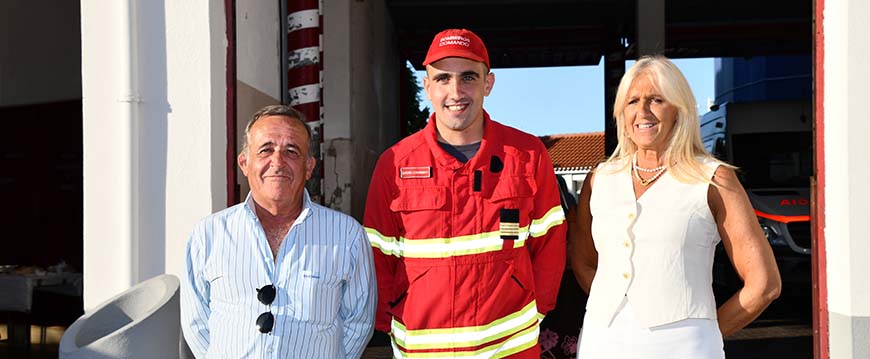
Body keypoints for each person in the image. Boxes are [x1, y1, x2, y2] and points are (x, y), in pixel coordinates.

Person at [364, 28, 567, 358]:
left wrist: (538, 308)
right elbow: (376, 254)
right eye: (443, 78)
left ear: (488, 84)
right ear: (428, 87)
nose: (455, 91)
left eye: (468, 77)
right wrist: (389, 319)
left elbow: (550, 243)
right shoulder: (395, 163)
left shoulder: (528, 155)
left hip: (509, 349)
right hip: (421, 350)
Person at [570, 55, 781, 358]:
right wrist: (619, 310)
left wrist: (705, 334)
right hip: (601, 344)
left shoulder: (713, 179)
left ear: (679, 110)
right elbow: (585, 262)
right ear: (621, 113)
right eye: (632, 102)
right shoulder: (599, 180)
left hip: (685, 348)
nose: (642, 111)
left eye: (656, 99)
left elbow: (764, 285)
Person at [180, 105, 376, 358]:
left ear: (309, 167)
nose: (278, 162)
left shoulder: (347, 235)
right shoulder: (208, 235)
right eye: (266, 149)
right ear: (244, 163)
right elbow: (196, 324)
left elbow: (358, 323)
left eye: (292, 151)